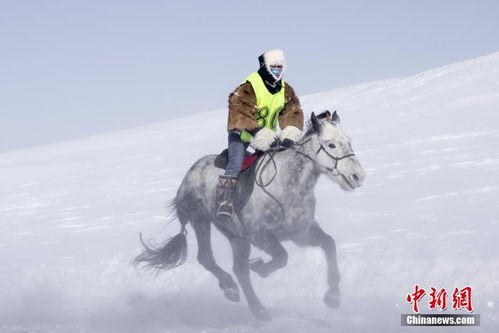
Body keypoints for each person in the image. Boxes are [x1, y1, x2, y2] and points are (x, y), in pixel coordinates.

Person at [216, 49, 304, 218]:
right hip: (242, 134)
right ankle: (223, 202)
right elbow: (238, 109)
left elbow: (293, 111)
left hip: (268, 137)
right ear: (265, 66)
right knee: (236, 163)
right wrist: (258, 133)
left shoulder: (286, 90)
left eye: (280, 67)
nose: (277, 71)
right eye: (274, 67)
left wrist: (288, 134)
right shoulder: (249, 86)